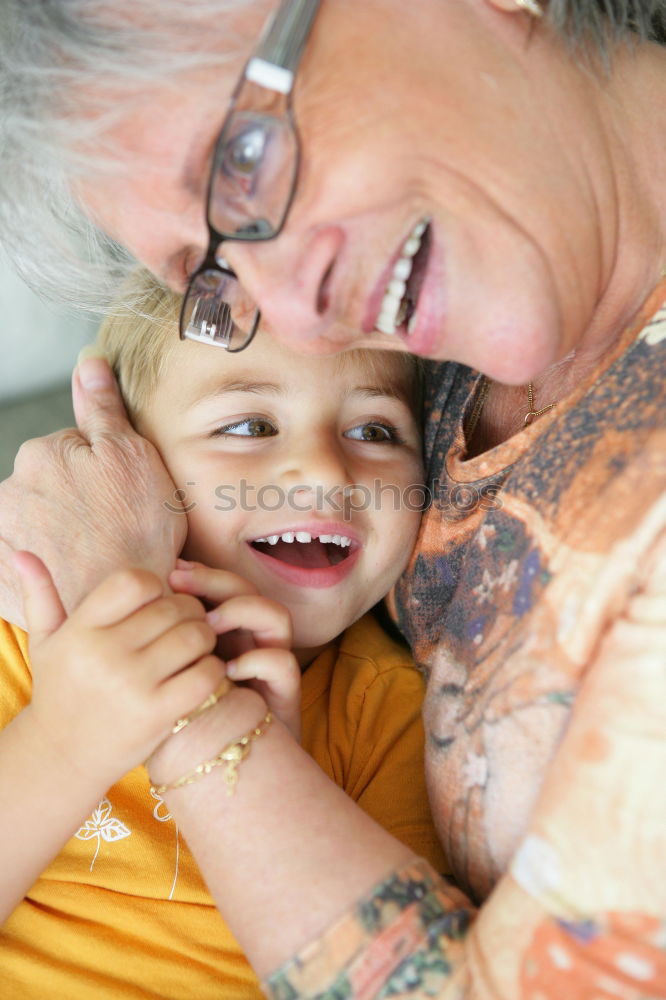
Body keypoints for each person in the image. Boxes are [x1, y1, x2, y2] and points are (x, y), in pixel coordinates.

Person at [0, 0, 665, 996]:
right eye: (210, 271)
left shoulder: (367, 716)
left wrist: (181, 697)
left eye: (242, 163)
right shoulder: (469, 242)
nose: (298, 318)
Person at [0, 270, 446, 997]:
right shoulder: (22, 633)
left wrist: (266, 770)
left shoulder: (387, 714)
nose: (326, 471)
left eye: (374, 430)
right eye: (249, 426)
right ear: (132, 465)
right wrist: (66, 736)